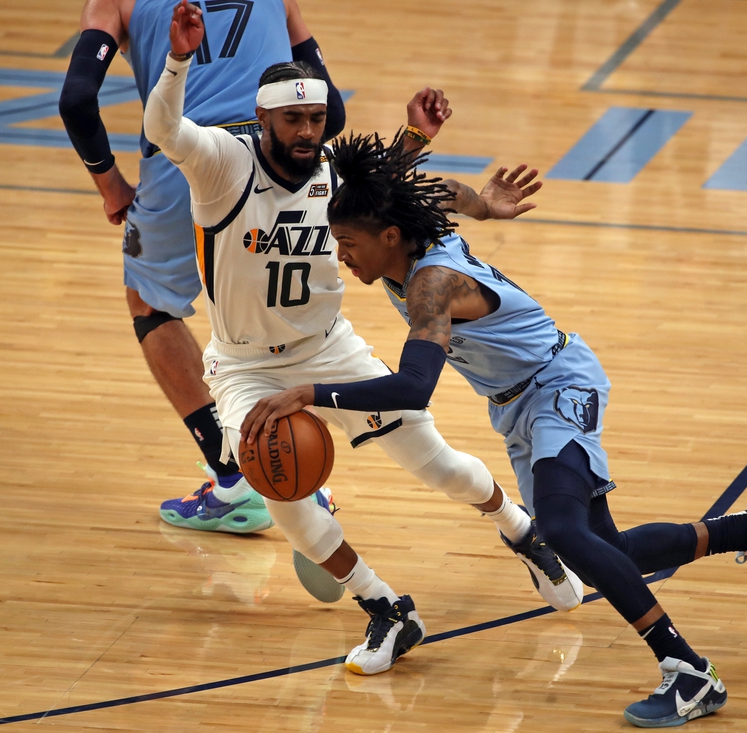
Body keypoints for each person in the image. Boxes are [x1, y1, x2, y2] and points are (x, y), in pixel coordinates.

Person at [242, 132, 747, 725]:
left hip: (557, 384)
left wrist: (309, 392)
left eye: (348, 243)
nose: (341, 255)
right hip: (518, 404)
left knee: (562, 529)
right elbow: (438, 190)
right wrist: (482, 204)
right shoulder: (410, 226)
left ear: (388, 237)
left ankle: (688, 671)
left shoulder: (431, 284)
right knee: (601, 554)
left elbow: (412, 388)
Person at [140, 3, 584, 674]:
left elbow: (408, 186)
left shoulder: (332, 175)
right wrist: (177, 60)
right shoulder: (221, 164)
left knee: (435, 463)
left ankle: (521, 531)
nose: (307, 131)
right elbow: (163, 126)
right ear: (263, 119)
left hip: (328, 348)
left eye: (317, 119)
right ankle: (384, 606)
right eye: (293, 119)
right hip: (244, 368)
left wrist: (475, 199)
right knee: (281, 495)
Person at [59, 0, 346, 531]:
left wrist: (111, 186)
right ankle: (296, 470)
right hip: (276, 155)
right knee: (264, 306)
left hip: (187, 155)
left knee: (150, 304)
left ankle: (236, 475)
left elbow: (77, 100)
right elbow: (333, 106)